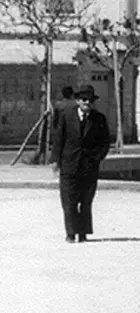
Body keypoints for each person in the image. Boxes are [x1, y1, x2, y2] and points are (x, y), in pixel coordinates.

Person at [49, 84, 111, 243]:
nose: (87, 102)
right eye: (83, 99)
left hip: (89, 166)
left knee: (86, 201)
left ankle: (83, 233)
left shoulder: (99, 119)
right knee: (68, 201)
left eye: (90, 100)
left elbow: (105, 142)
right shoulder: (66, 116)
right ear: (77, 101)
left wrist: (97, 158)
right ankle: (71, 233)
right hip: (69, 164)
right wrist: (55, 160)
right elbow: (58, 139)